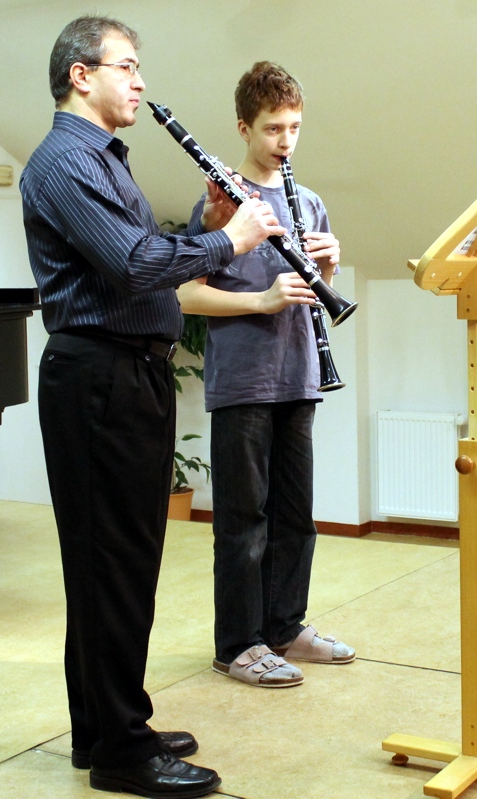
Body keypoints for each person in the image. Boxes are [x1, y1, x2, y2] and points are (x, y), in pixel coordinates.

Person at [20, 19, 285, 798]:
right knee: (113, 566)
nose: (139, 81)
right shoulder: (67, 161)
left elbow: (143, 253)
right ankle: (122, 751)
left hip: (123, 374)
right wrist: (233, 242)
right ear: (81, 75)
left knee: (115, 565)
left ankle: (102, 727)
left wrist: (206, 228)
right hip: (100, 377)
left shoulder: (101, 157)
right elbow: (137, 266)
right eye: (126, 66)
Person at [177, 61, 355, 689]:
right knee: (244, 521)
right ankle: (237, 644)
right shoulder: (221, 205)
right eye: (273, 128)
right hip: (243, 382)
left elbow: (311, 298)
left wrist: (325, 271)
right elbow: (186, 296)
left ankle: (284, 627)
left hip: (298, 376)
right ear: (244, 128)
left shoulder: (309, 202)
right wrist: (261, 300)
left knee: (295, 517)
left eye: (294, 128)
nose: (286, 141)